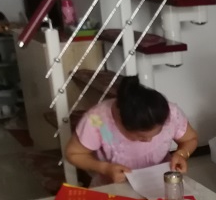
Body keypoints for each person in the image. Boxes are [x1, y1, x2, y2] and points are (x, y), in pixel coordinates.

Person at [65, 75, 198, 186]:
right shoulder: (98, 120)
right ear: (121, 122)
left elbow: (190, 139)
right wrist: (105, 168)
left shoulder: (171, 113)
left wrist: (182, 154)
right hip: (114, 187)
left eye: (157, 133)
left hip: (159, 184)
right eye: (141, 137)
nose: (149, 140)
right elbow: (74, 154)